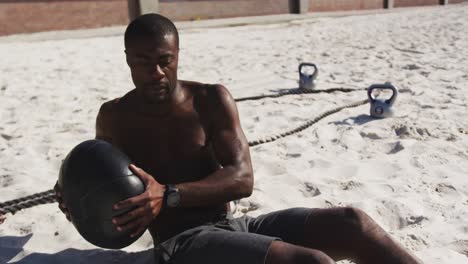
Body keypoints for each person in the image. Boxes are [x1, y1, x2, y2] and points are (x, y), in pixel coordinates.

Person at [55, 14, 421, 264]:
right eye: (142, 61)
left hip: (234, 226)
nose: (156, 73)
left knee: (352, 223)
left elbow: (242, 179)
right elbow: (98, 183)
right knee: (311, 263)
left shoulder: (211, 100)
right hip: (179, 246)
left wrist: (166, 193)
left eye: (165, 60)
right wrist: (72, 200)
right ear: (127, 60)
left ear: (178, 55)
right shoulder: (114, 116)